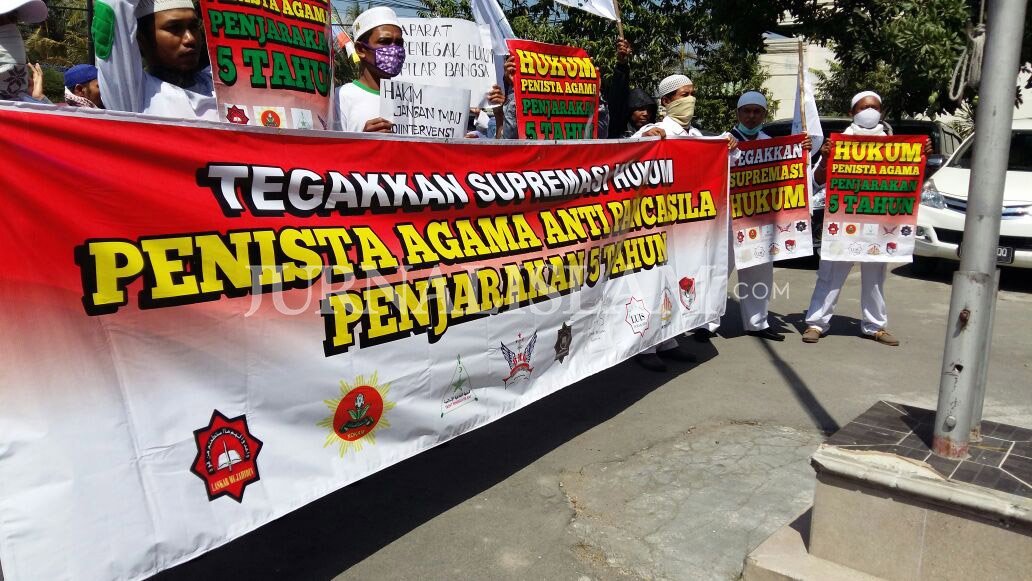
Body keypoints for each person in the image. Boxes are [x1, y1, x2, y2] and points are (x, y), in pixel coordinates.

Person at [800, 91, 930, 346]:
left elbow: (910, 181)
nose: (869, 112)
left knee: (875, 279)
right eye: (863, 107)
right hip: (843, 222)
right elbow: (815, 182)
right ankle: (816, 323)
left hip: (879, 224)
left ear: (881, 112)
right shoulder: (838, 143)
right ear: (852, 113)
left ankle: (875, 326)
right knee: (830, 276)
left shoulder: (894, 146)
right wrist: (825, 159)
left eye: (874, 107)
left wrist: (921, 156)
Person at [94, 0, 216, 120]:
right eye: (174, 28)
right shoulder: (134, 97)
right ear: (141, 40)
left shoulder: (219, 84)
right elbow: (113, 7)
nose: (190, 39)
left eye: (194, 26)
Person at [334, 7, 403, 133]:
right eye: (384, 41)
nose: (394, 50)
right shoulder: (340, 98)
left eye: (399, 43)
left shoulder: (410, 101)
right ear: (360, 49)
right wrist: (365, 140)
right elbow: (330, 145)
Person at [0, 0, 49, 103]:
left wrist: (39, 97)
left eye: (12, 18)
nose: (11, 30)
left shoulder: (26, 104)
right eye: (1, 21)